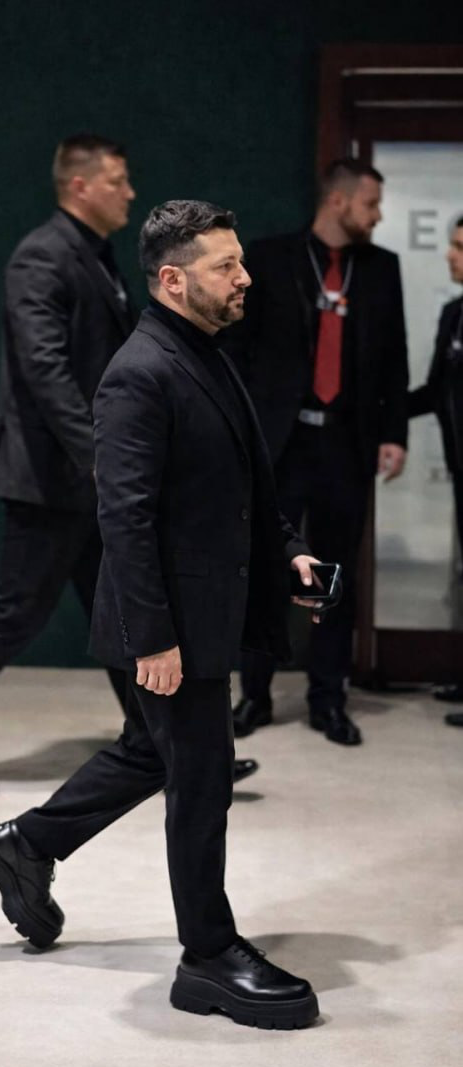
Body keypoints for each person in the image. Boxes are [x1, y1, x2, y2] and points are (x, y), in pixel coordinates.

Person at [0, 200, 321, 1030]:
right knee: (200, 781)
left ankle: (23, 846)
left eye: (239, 261)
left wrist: (288, 551)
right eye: (225, 266)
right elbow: (122, 516)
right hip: (173, 625)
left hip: (204, 608)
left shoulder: (206, 353)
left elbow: (241, 485)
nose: (244, 277)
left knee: (149, 751)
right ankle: (208, 957)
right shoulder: (139, 374)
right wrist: (151, 638)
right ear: (171, 280)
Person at [0, 135, 256, 797]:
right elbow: (44, 370)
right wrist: (99, 456)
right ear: (80, 186)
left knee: (122, 611)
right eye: (117, 181)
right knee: (14, 615)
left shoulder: (93, 253)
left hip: (85, 477)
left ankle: (167, 741)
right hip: (49, 477)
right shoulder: (43, 254)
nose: (129, 192)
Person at [224, 158, 409, 746]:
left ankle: (328, 699)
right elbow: (237, 348)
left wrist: (395, 433)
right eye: (370, 204)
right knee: (265, 568)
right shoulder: (270, 258)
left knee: (334, 574)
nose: (377, 216)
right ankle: (253, 695)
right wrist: (238, 428)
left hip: (346, 442)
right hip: (280, 442)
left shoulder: (380, 269)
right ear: (338, 200)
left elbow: (396, 357)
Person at [408, 215, 463, 721]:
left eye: (460, 247)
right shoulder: (453, 314)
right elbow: (433, 392)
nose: (450, 255)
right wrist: (380, 416)